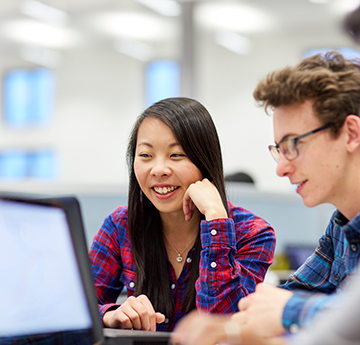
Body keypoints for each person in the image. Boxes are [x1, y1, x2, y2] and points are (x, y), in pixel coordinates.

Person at [171, 50, 360, 344]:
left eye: (293, 144)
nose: (282, 169)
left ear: (350, 133)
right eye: (279, 151)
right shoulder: (341, 227)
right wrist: (234, 327)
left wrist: (286, 311)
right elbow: (281, 301)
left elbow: (340, 315)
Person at [88, 97, 276, 332]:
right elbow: (77, 309)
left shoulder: (252, 233)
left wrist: (216, 220)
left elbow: (222, 325)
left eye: (176, 155)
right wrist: (111, 315)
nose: (158, 170)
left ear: (204, 160)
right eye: (146, 155)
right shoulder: (121, 226)